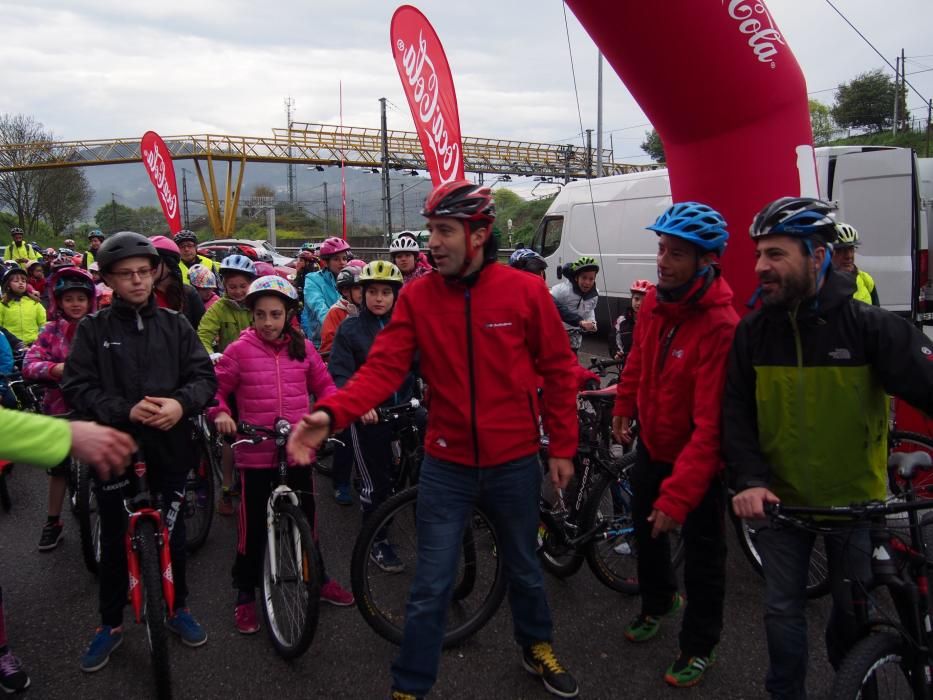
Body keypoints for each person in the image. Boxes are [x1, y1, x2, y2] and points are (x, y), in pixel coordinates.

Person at [287, 179, 581, 700]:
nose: (434, 243)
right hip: (446, 464)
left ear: (481, 233)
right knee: (429, 586)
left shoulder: (525, 291)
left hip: (514, 462)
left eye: (445, 231)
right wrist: (332, 413)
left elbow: (559, 370)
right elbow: (382, 368)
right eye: (432, 231)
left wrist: (561, 446)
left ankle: (536, 645)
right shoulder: (419, 296)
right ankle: (410, 687)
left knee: (525, 569)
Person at [724, 196, 933, 698]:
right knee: (781, 615)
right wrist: (750, 481)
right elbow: (735, 416)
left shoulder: (869, 326)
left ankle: (856, 684)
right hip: (780, 506)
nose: (760, 267)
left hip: (854, 503)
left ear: (816, 256)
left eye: (776, 255)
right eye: (759, 255)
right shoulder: (753, 331)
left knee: (850, 623)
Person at [62, 230, 217, 672]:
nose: (136, 281)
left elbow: (204, 378)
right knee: (114, 539)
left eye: (144, 273)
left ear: (156, 274)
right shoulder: (93, 329)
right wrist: (124, 409)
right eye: (125, 274)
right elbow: (76, 386)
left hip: (170, 445)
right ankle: (109, 625)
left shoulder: (176, 324)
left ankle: (178, 607)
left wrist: (180, 403)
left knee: (174, 535)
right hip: (116, 445)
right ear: (108, 279)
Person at [610, 202, 738, 688]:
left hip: (699, 465)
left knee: (705, 556)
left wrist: (679, 496)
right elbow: (638, 363)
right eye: (661, 248)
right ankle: (659, 602)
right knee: (646, 532)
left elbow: (712, 429)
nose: (662, 261)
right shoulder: (657, 306)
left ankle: (699, 644)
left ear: (706, 261)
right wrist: (624, 406)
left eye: (676, 253)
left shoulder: (722, 326)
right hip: (653, 447)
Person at [208, 275, 353, 634]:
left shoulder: (302, 349)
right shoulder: (238, 351)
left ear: (289, 315)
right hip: (255, 451)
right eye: (260, 315)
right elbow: (217, 393)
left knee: (309, 519)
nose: (268, 322)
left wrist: (328, 414)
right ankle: (245, 593)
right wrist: (222, 415)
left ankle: (316, 577)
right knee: (253, 527)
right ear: (252, 317)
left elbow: (325, 387)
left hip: (297, 448)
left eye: (276, 314)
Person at [0, 408, 136, 694]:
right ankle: (53, 520)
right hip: (70, 420)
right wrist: (68, 433)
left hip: (103, 432)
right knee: (65, 476)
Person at [328, 260, 423, 567]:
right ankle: (378, 540)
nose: (379, 298)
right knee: (376, 485)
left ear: (396, 295)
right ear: (362, 294)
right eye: (372, 292)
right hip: (369, 418)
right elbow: (340, 374)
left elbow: (425, 365)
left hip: (405, 412)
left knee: (427, 469)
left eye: (386, 292)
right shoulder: (350, 329)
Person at [23, 268, 98, 551]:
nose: (76, 303)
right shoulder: (50, 331)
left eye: (81, 298)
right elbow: (29, 364)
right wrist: (54, 369)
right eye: (69, 299)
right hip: (59, 409)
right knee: (58, 470)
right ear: (58, 301)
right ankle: (52, 521)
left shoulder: (99, 327)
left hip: (95, 408)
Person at [196, 254, 257, 515]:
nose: (238, 291)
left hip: (256, 374)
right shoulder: (219, 308)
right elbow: (203, 335)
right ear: (224, 286)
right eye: (232, 286)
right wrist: (210, 353)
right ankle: (227, 486)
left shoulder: (257, 305)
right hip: (230, 375)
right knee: (233, 437)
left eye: (243, 286)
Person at [302, 236, 351, 347]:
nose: (342, 263)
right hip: (321, 343)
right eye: (336, 259)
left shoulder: (351, 279)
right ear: (326, 262)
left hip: (348, 339)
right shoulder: (312, 280)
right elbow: (319, 308)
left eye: (344, 258)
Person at [149, 235, 205, 329]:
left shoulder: (189, 293)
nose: (148, 268)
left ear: (169, 263)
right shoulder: (144, 296)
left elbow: (203, 331)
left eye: (153, 262)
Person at [551, 256, 599, 354]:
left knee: (572, 360)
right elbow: (548, 303)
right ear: (576, 277)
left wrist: (592, 322)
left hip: (576, 333)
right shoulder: (562, 290)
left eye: (591, 279)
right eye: (584, 277)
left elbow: (590, 310)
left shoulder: (595, 294)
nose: (587, 282)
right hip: (558, 332)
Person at [831, 222, 879, 306]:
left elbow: (878, 315)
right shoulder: (820, 285)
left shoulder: (866, 280)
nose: (848, 256)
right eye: (841, 250)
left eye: (851, 249)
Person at [320, 265, 362, 356]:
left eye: (364, 287)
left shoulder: (369, 309)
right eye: (357, 288)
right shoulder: (335, 312)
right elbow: (327, 348)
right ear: (345, 291)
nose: (362, 291)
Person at [0, 266, 46, 344]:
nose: (21, 283)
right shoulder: (3, 305)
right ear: (8, 285)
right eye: (16, 281)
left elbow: (43, 325)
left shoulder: (34, 303)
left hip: (32, 346)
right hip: (10, 346)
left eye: (23, 281)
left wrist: (39, 342)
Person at [613, 279, 654, 363]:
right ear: (631, 298)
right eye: (636, 299)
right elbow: (614, 339)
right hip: (626, 364)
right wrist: (616, 353)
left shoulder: (653, 322)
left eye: (644, 300)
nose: (639, 303)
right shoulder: (621, 320)